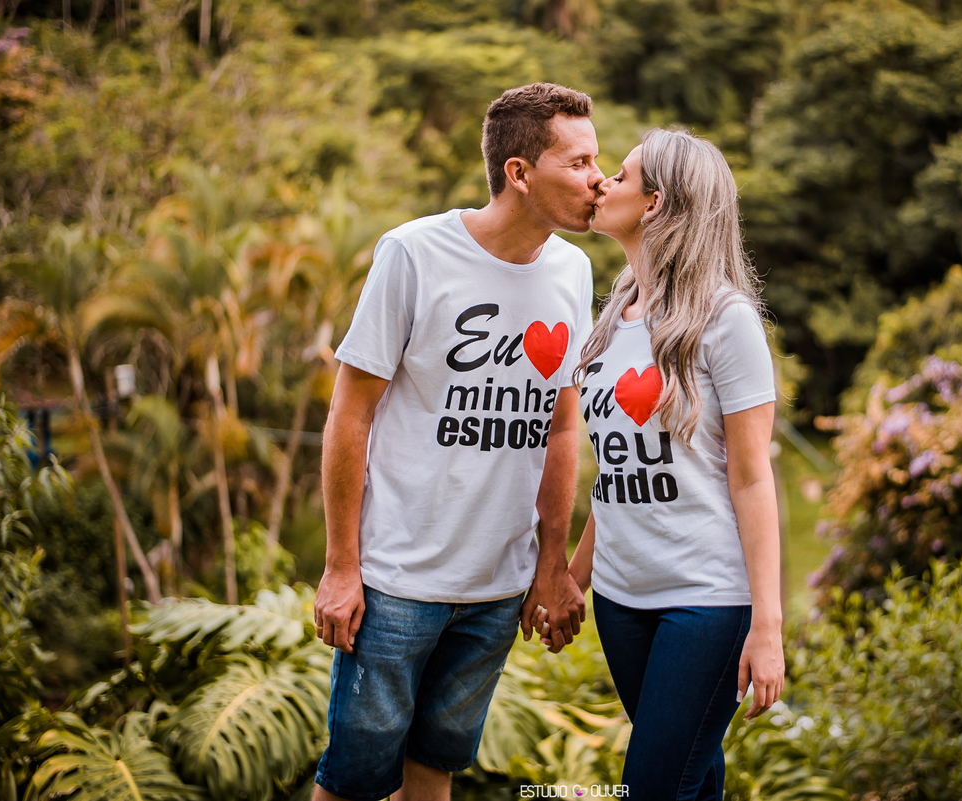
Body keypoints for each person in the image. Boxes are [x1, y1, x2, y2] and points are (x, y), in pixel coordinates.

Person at [312, 83, 604, 801]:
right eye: (579, 162)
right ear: (520, 172)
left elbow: (562, 426)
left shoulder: (573, 270)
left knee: (434, 768)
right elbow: (349, 415)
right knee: (350, 781)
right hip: (395, 581)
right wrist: (341, 565)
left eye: (599, 160)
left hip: (497, 588)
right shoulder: (414, 253)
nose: (599, 177)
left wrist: (551, 564)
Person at [536, 128, 785, 800]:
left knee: (650, 789)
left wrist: (768, 624)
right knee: (691, 782)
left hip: (705, 600)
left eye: (619, 174)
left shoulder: (727, 321)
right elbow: (617, 479)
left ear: (655, 203)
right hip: (623, 601)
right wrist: (569, 579)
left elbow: (753, 478)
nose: (601, 184)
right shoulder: (612, 318)